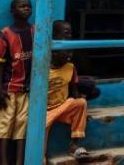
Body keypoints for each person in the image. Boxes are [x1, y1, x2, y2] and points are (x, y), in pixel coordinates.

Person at [0, 0, 35, 165]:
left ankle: (19, 161)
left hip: (27, 90)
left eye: (28, 6)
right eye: (22, 6)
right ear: (12, 11)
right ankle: (3, 162)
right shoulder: (6, 34)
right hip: (9, 89)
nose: (26, 9)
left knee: (21, 127)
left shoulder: (35, 32)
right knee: (4, 126)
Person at [45, 21, 89, 160]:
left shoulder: (70, 67)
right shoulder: (44, 68)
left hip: (62, 107)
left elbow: (74, 91)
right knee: (42, 127)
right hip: (45, 110)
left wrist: (82, 112)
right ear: (55, 53)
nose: (70, 55)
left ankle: (74, 145)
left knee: (80, 102)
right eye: (66, 52)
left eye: (71, 52)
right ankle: (41, 157)